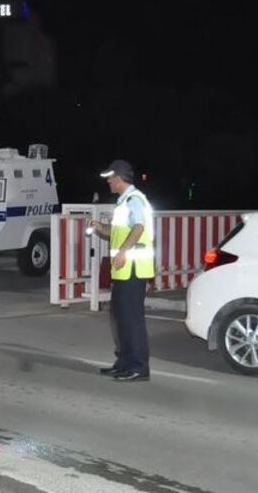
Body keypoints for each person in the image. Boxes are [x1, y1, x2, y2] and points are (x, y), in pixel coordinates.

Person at [90, 160, 154, 382]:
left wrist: (123, 252)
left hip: (133, 269)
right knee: (119, 318)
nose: (108, 181)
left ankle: (138, 367)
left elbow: (138, 228)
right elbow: (117, 233)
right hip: (123, 271)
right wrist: (100, 228)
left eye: (110, 177)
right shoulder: (123, 202)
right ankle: (124, 363)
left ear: (119, 178)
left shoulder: (134, 200)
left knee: (131, 319)